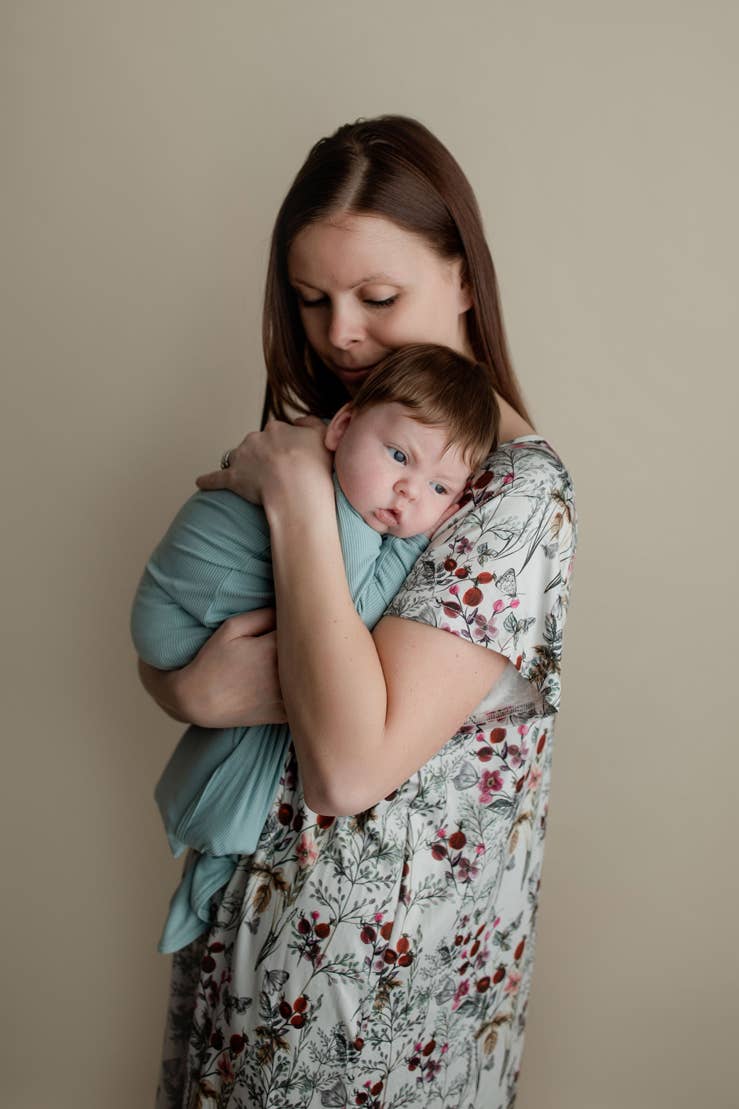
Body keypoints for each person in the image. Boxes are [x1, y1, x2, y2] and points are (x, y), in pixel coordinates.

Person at [139, 115, 578, 1109]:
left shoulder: (510, 497)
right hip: (244, 963)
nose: (339, 330)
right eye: (312, 298)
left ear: (464, 276)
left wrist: (295, 493)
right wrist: (178, 684)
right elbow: (217, 642)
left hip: (377, 1016)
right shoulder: (347, 449)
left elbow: (346, 763)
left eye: (378, 297)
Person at [131, 344, 499, 955]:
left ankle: (211, 866)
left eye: (437, 487)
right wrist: (412, 539)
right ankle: (212, 861)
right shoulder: (336, 509)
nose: (408, 492)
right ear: (344, 426)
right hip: (185, 616)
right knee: (327, 670)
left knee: (297, 710)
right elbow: (355, 617)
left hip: (192, 640)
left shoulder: (331, 489)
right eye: (399, 455)